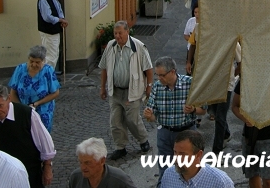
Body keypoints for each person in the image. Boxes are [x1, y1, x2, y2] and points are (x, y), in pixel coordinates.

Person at [144, 57, 206, 186]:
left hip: (187, 133)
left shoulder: (190, 83)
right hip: (165, 133)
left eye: (162, 75)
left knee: (188, 167)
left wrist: (193, 109)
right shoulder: (157, 87)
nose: (159, 78)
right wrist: (149, 116)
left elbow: (204, 110)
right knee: (165, 169)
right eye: (157, 75)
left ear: (172, 72)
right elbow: (153, 115)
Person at [0, 84, 55, 188]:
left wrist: (47, 167)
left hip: (30, 171)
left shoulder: (27, 114)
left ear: (9, 99)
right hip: (2, 173)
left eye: (0, 106)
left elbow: (45, 142)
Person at [99, 20, 152, 160]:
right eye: (115, 33)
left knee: (132, 119)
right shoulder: (110, 46)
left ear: (127, 32)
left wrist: (149, 87)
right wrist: (102, 88)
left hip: (132, 90)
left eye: (120, 33)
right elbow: (104, 67)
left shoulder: (138, 47)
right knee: (115, 121)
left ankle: (143, 140)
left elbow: (148, 68)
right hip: (115, 91)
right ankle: (120, 147)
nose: (117, 36)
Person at [232, 80, 270, 188]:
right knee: (252, 175)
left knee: (268, 179)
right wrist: (245, 118)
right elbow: (235, 106)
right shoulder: (246, 78)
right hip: (250, 137)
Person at [8, 45, 60, 132]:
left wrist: (37, 103)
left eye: (37, 62)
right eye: (31, 61)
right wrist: (21, 108)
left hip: (43, 110)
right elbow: (13, 92)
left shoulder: (48, 70)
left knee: (42, 135)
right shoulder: (20, 69)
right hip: (23, 109)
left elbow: (55, 93)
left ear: (43, 61)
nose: (34, 64)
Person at [161, 131, 234, 188]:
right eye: (175, 152)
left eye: (182, 154)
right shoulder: (169, 175)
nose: (176, 158)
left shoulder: (220, 182)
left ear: (198, 155)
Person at [68, 137, 136, 188]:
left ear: (102, 161)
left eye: (87, 163)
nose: (82, 167)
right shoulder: (75, 177)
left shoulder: (120, 181)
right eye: (80, 162)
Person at [37, 0, 68, 69]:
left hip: (54, 31)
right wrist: (59, 20)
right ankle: (48, 76)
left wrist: (62, 19)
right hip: (48, 32)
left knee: (54, 54)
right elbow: (47, 17)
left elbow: (58, 9)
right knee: (50, 56)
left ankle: (50, 75)